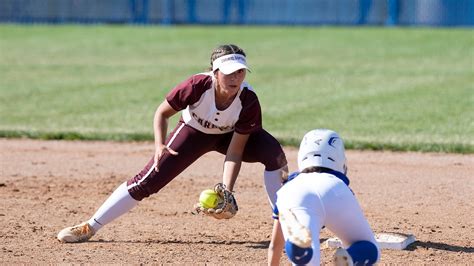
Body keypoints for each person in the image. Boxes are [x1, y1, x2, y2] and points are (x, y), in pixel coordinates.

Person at [57, 44, 288, 243]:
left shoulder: (248, 100)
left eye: (240, 72)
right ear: (215, 72)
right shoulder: (197, 85)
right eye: (229, 72)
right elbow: (162, 113)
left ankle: (287, 223)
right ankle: (91, 226)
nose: (235, 78)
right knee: (148, 180)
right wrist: (159, 145)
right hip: (193, 132)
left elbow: (235, 151)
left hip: (229, 136)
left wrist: (227, 189)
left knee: (274, 154)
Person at [267, 129, 380, 266]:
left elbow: (275, 245)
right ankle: (351, 257)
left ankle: (301, 251)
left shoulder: (287, 187)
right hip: (334, 189)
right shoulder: (339, 183)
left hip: (293, 194)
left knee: (307, 257)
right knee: (368, 249)